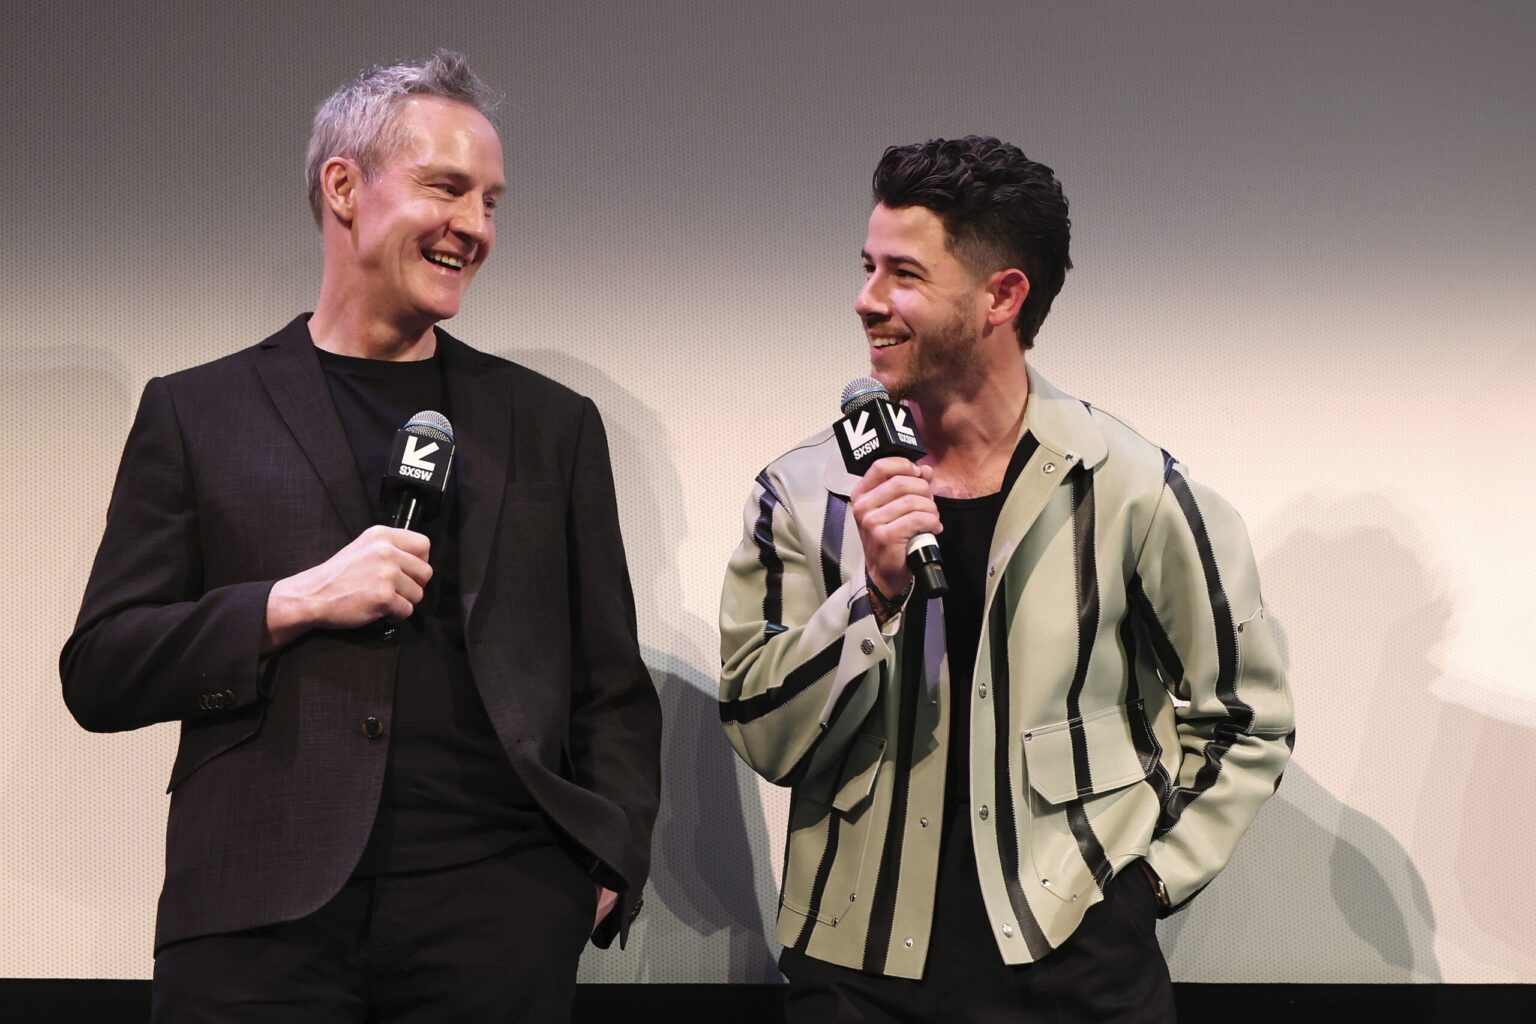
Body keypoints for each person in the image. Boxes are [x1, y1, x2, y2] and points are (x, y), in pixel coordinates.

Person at [60, 50, 660, 1022]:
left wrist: (603, 859)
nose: (475, 226)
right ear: (344, 186)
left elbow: (611, 685)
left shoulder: (551, 425)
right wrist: (291, 602)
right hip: (259, 919)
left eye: (492, 202)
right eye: (447, 188)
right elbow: (101, 666)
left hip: (499, 908)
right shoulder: (197, 412)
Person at [719, 136, 1294, 1022]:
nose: (867, 300)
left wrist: (1143, 889)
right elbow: (760, 730)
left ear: (1003, 295)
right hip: (857, 970)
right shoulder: (802, 492)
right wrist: (867, 600)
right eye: (867, 266)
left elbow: (1246, 716)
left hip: (1075, 966)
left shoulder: (1129, 484)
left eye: (903, 274)